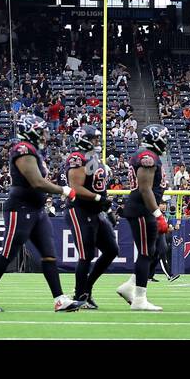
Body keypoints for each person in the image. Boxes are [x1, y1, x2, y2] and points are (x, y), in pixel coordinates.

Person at [0, 114, 97, 312]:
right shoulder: (23, 150)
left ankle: (59, 299)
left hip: (36, 209)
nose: (45, 134)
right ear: (31, 131)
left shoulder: (34, 152)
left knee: (49, 255)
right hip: (20, 208)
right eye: (42, 130)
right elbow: (37, 182)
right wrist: (64, 190)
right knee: (8, 253)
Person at [114, 123, 171, 312]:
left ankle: (130, 286)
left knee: (153, 250)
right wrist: (158, 213)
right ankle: (139, 299)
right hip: (141, 209)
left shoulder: (148, 155)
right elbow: (145, 189)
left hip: (142, 208)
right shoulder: (147, 157)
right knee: (146, 252)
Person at [63, 124, 119, 308]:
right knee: (86, 255)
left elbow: (99, 188)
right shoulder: (77, 158)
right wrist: (98, 199)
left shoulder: (93, 158)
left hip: (96, 210)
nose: (97, 141)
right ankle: (80, 296)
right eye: (94, 138)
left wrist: (107, 208)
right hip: (79, 210)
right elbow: (76, 188)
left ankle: (87, 287)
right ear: (83, 139)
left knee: (112, 250)